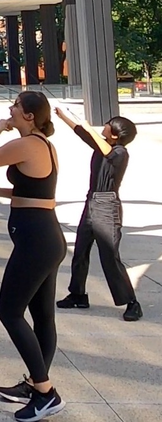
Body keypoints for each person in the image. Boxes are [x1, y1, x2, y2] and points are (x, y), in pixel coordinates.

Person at [0, 91, 66, 422]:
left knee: (9, 311)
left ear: (29, 116)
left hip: (36, 241)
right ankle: (35, 384)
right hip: (45, 237)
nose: (10, 110)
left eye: (15, 106)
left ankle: (46, 393)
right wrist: (1, 192)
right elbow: (37, 189)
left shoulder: (26, 144)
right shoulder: (43, 145)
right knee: (42, 316)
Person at [54, 107, 142, 322]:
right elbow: (82, 133)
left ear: (116, 134)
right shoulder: (102, 146)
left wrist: (88, 127)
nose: (104, 126)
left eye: (108, 125)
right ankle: (78, 295)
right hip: (91, 202)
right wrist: (63, 116)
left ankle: (132, 302)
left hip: (107, 207)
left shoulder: (120, 152)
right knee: (80, 251)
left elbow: (107, 151)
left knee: (109, 256)